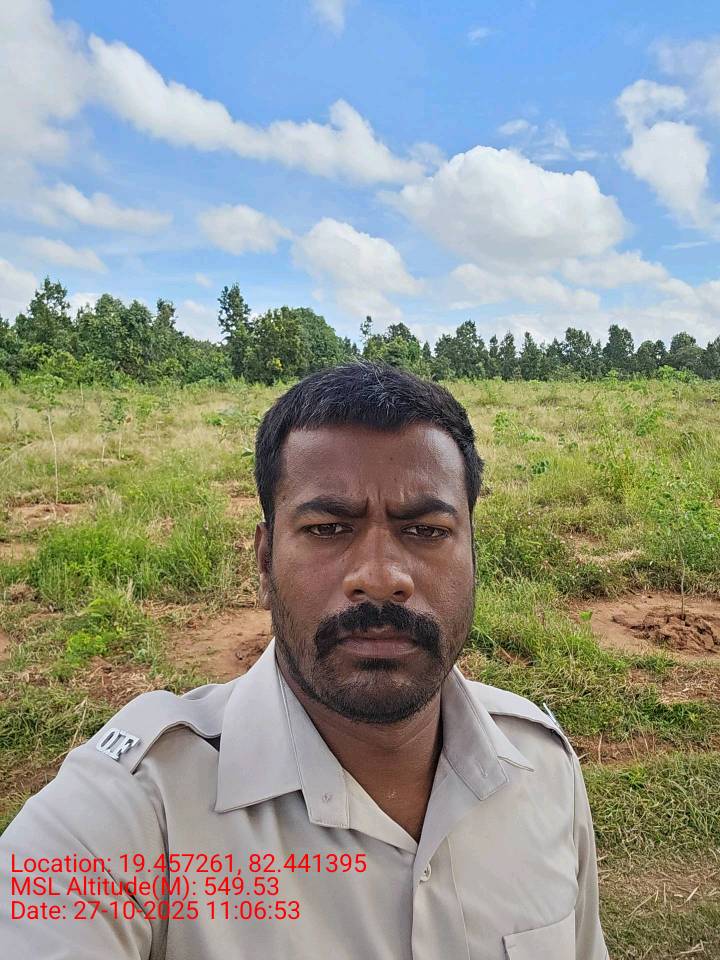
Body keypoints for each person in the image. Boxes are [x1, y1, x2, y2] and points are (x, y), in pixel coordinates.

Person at [0, 360, 608, 959]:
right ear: (264, 561)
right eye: (327, 528)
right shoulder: (136, 810)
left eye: (425, 530)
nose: (381, 578)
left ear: (473, 554)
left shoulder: (542, 767)